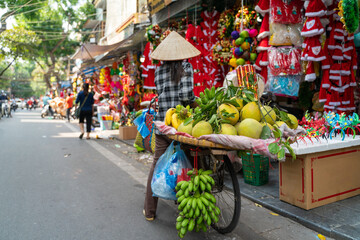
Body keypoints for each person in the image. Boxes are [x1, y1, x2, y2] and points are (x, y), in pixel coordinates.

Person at [143, 31, 200, 221]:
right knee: (189, 167)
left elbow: (161, 95)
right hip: (182, 128)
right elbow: (185, 96)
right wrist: (195, 102)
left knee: (157, 165)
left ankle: (149, 211)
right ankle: (188, 210)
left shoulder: (158, 71)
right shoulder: (186, 66)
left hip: (162, 126)